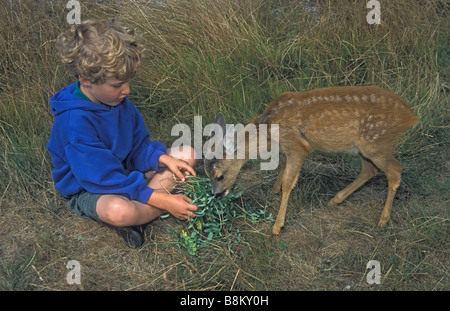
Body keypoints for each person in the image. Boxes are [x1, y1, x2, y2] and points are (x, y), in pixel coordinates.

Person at [47, 20, 199, 248]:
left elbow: (137, 145)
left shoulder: (117, 100)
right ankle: (146, 211)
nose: (126, 90)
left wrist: (160, 158)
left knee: (186, 154)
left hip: (124, 168)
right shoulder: (74, 123)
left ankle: (142, 213)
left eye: (127, 82)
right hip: (91, 188)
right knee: (119, 211)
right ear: (86, 80)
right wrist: (165, 201)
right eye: (118, 84)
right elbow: (103, 180)